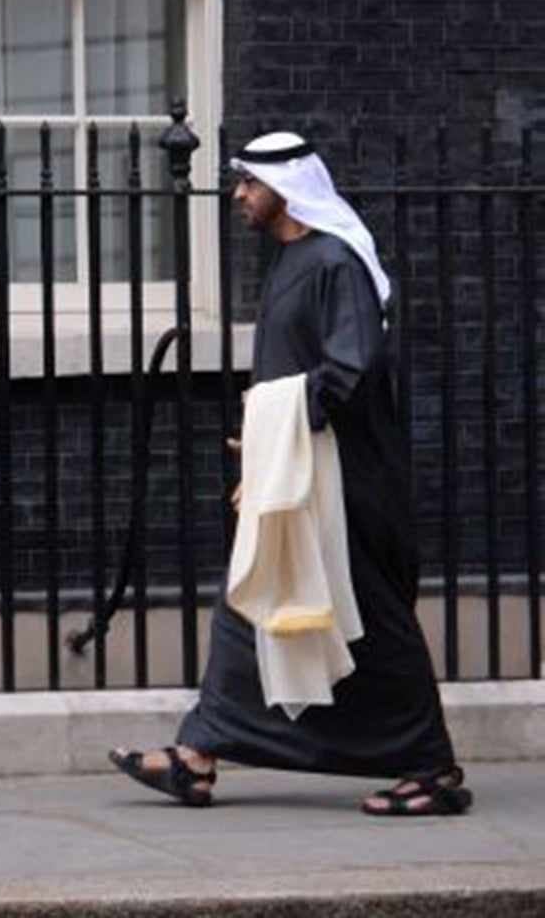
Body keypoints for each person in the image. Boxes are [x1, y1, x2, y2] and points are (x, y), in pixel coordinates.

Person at [110, 131, 470, 816]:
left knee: (369, 616)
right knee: (250, 603)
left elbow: (351, 366)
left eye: (248, 182)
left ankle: (430, 768)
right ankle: (198, 754)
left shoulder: (335, 262)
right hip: (299, 463)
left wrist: (276, 425)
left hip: (345, 476)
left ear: (287, 186)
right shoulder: (295, 259)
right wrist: (267, 441)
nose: (238, 195)